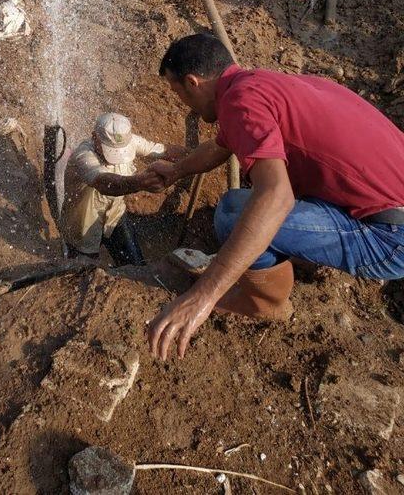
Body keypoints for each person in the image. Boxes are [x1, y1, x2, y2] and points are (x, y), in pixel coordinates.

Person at [146, 33, 404, 361]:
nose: (183, 103)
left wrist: (203, 295)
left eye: (176, 92)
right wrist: (177, 170)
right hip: (386, 204)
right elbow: (221, 146)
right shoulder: (262, 85)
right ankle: (298, 257)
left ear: (192, 82)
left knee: (234, 214)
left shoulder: (240, 104)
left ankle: (265, 305)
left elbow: (277, 197)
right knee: (251, 205)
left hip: (391, 237)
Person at [61, 113, 184, 266]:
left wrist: (195, 158)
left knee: (136, 267)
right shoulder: (84, 155)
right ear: (95, 137)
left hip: (115, 216)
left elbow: (163, 151)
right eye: (111, 150)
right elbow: (103, 183)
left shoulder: (128, 140)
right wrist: (138, 183)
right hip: (83, 225)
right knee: (84, 272)